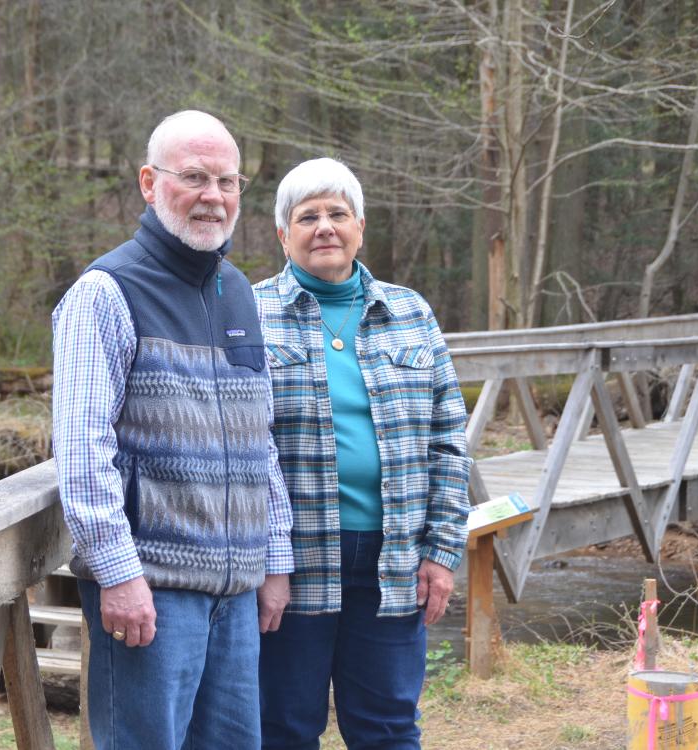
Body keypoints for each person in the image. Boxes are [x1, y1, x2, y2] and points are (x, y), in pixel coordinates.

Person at [50, 110, 293, 750]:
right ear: (149, 183)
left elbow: (259, 441)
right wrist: (117, 572)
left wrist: (276, 558)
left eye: (227, 181)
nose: (213, 196)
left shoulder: (238, 292)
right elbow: (80, 451)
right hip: (150, 595)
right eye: (194, 177)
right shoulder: (105, 292)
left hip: (236, 594)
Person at [254, 158, 471, 750]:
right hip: (291, 563)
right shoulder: (249, 315)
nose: (324, 226)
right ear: (283, 234)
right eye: (307, 217)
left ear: (360, 226)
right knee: (282, 726)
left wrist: (442, 550)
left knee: (388, 726)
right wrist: (260, 560)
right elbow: (239, 449)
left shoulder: (411, 312)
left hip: (394, 560)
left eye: (337, 213)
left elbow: (449, 440)